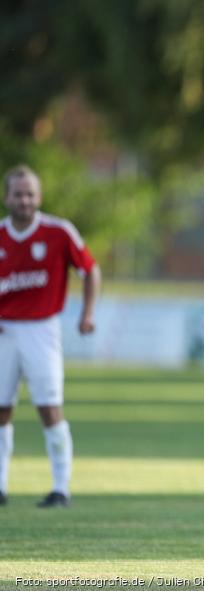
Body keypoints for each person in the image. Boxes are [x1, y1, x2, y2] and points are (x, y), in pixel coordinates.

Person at [0, 164, 100, 508]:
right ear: (7, 197)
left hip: (42, 329)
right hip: (3, 331)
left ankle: (61, 487)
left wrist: (87, 313)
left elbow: (90, 269)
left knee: (49, 408)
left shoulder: (58, 232)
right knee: (1, 409)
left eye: (30, 194)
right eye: (18, 194)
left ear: (39, 197)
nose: (24, 200)